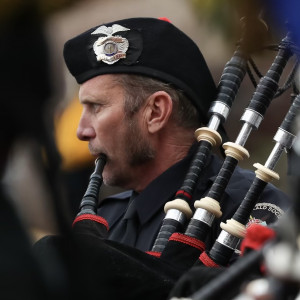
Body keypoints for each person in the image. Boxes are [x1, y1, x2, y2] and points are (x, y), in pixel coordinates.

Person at [63, 17, 291, 254]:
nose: (82, 131)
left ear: (155, 112)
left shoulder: (248, 208)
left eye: (96, 107)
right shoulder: (107, 219)